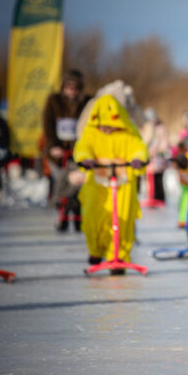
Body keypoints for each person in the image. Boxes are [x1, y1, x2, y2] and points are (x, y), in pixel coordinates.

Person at [74, 94, 148, 273]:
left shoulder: (128, 133)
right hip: (97, 184)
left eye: (111, 125)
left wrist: (138, 159)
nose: (107, 129)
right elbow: (83, 147)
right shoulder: (91, 133)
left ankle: (119, 255)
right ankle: (95, 250)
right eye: (103, 125)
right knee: (93, 217)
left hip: (123, 184)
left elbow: (139, 148)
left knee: (122, 218)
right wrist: (85, 159)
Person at [42, 69, 92, 230]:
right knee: (62, 182)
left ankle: (78, 218)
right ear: (64, 86)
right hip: (58, 151)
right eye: (69, 86)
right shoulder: (54, 101)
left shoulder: (86, 102)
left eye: (76, 87)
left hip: (78, 152)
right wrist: (52, 146)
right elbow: (48, 125)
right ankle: (62, 216)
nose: (72, 90)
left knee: (77, 184)